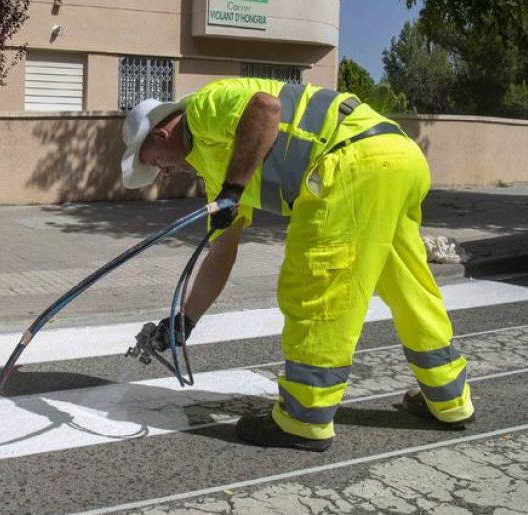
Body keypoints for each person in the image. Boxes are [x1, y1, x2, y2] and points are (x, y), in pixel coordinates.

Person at [121, 78, 475, 451]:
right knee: (408, 288)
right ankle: (449, 399)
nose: (161, 172)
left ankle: (304, 418)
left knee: (315, 288)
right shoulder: (214, 169)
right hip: (396, 157)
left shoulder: (201, 110)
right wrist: (184, 322)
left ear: (160, 135)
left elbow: (264, 108)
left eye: (153, 162)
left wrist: (233, 190)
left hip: (352, 163)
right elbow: (221, 250)